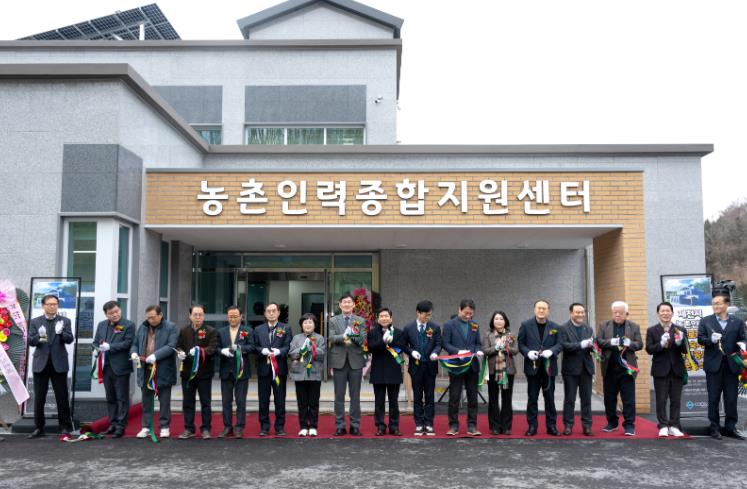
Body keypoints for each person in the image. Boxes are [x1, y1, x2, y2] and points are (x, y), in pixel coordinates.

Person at [697, 292, 747, 440]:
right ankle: (714, 428)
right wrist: (710, 340)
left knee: (731, 398)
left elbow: (743, 338)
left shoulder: (737, 322)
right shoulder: (706, 321)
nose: (715, 306)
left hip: (732, 365)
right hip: (714, 365)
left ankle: (730, 428)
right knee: (713, 398)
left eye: (718, 303)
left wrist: (743, 345)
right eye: (713, 303)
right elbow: (700, 339)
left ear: (727, 304)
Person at [27, 294, 75, 438]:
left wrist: (61, 333)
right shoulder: (35, 321)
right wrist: (40, 336)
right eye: (49, 304)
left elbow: (70, 339)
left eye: (55, 304)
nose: (52, 307)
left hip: (59, 363)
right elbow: (31, 341)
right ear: (43, 306)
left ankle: (65, 426)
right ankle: (39, 427)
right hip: (41, 364)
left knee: (62, 397)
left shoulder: (65, 321)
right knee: (39, 398)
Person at [130, 305, 177, 439]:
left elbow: (171, 346)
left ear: (160, 315)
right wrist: (134, 353)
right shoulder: (143, 327)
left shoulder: (171, 327)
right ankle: (146, 426)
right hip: (145, 368)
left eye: (153, 317)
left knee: (164, 400)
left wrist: (156, 355)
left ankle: (164, 426)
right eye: (148, 317)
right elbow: (135, 343)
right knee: (146, 399)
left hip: (163, 368)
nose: (150, 320)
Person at [596, 300, 643, 436]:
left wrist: (630, 343)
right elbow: (599, 341)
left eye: (620, 313)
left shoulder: (634, 326)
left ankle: (629, 425)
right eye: (615, 312)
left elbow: (640, 344)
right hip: (609, 367)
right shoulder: (604, 325)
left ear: (626, 314)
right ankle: (612, 422)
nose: (617, 315)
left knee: (628, 399)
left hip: (627, 369)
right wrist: (611, 342)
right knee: (609, 398)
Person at [518, 299, 562, 436]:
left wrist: (552, 351)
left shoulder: (555, 327)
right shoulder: (525, 325)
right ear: (534, 309)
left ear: (548, 311)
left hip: (549, 368)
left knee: (550, 398)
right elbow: (521, 344)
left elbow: (560, 344)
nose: (541, 310)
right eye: (539, 308)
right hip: (533, 368)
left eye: (544, 308)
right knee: (532, 398)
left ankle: (551, 426)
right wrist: (528, 353)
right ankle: (532, 426)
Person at [92, 300, 135, 438]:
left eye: (117, 311)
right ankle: (112, 424)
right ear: (106, 314)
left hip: (121, 367)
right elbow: (95, 342)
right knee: (110, 397)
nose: (115, 315)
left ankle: (121, 426)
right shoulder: (101, 325)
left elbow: (128, 343)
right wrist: (97, 349)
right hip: (105, 367)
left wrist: (110, 347)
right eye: (111, 313)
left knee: (122, 398)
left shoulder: (128, 325)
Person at [441, 299, 484, 436]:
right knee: (454, 397)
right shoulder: (449, 325)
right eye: (466, 313)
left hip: (472, 365)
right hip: (456, 365)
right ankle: (453, 426)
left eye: (471, 313)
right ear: (459, 310)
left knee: (473, 397)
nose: (468, 316)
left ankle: (472, 426)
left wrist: (478, 350)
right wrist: (457, 352)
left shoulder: (475, 325)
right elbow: (445, 343)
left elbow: (478, 343)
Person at [645, 301, 687, 438]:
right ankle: (663, 425)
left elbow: (685, 350)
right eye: (662, 311)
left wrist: (680, 342)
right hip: (660, 370)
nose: (665, 313)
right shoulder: (652, 330)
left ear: (672, 313)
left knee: (676, 400)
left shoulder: (680, 329)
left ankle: (674, 426)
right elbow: (649, 349)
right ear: (658, 313)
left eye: (668, 311)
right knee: (661, 400)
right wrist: (661, 344)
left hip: (677, 369)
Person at [176, 304, 218, 440]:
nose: (198, 317)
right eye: (195, 314)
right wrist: (180, 353)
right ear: (190, 316)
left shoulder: (210, 331)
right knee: (188, 402)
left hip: (204, 373)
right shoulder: (184, 331)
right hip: (187, 373)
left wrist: (200, 351)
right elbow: (178, 346)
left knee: (205, 402)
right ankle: (189, 428)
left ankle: (206, 429)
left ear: (204, 316)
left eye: (200, 315)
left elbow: (212, 348)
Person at [328, 293, 367, 436]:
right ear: (340, 305)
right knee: (339, 396)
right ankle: (340, 426)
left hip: (355, 361)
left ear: (353, 304)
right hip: (339, 361)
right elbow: (331, 337)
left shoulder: (360, 320)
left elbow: (362, 339)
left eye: (349, 302)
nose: (347, 304)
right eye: (344, 302)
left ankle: (355, 425)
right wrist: (344, 336)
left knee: (355, 396)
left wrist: (352, 335)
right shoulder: (333, 320)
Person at [401, 300, 442, 436]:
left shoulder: (435, 327)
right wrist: (411, 352)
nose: (428, 317)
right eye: (426, 315)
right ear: (418, 313)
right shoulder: (409, 328)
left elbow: (438, 344)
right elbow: (403, 345)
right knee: (417, 396)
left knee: (429, 395)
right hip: (416, 367)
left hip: (430, 366)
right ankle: (419, 423)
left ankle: (429, 423)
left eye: (430, 315)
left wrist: (435, 352)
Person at [253, 302, 292, 436]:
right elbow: (254, 346)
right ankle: (264, 427)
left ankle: (279, 427)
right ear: (265, 314)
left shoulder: (286, 328)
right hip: (263, 369)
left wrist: (279, 351)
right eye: (268, 311)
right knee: (263, 400)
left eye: (274, 311)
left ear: (278, 313)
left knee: (280, 399)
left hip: (279, 369)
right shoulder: (258, 329)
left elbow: (288, 346)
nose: (271, 313)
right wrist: (261, 350)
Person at [217, 305, 254, 438]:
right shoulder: (221, 332)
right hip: (226, 371)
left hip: (242, 371)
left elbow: (252, 347)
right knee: (226, 401)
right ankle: (227, 427)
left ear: (241, 317)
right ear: (227, 317)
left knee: (240, 401)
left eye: (235, 316)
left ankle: (239, 427)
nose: (233, 319)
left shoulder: (248, 330)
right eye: (230, 316)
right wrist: (222, 351)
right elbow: (215, 348)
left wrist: (240, 348)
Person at [559, 302, 595, 436]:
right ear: (571, 313)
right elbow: (564, 345)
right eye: (577, 312)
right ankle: (568, 425)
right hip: (570, 369)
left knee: (586, 399)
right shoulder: (563, 328)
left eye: (582, 312)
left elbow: (592, 346)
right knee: (570, 399)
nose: (580, 314)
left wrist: (594, 347)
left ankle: (587, 426)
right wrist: (581, 344)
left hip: (586, 369)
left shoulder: (588, 329)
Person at [367, 308, 405, 436]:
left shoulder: (398, 332)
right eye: (381, 316)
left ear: (391, 318)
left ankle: (394, 426)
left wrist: (391, 340)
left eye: (386, 316)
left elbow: (401, 348)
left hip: (393, 371)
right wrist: (383, 341)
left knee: (394, 402)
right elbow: (371, 348)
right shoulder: (372, 333)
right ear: (378, 319)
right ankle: (380, 426)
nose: (384, 318)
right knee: (379, 402)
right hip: (378, 371)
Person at [289, 313, 326, 437]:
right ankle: (303, 426)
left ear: (314, 324)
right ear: (301, 325)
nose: (308, 325)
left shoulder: (320, 338)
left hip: (314, 374)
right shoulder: (296, 338)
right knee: (302, 402)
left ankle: (313, 426)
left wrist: (311, 348)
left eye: (310, 322)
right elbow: (292, 353)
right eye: (305, 322)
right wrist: (301, 350)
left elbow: (321, 354)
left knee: (313, 403)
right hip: (300, 375)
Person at [481, 310, 518, 435]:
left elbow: (516, 350)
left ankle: (506, 426)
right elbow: (485, 350)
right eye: (496, 319)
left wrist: (506, 348)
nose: (499, 321)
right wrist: (495, 348)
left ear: (505, 321)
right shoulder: (488, 334)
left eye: (501, 319)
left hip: (508, 370)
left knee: (507, 398)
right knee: (493, 398)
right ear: (492, 321)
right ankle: (495, 426)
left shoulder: (511, 334)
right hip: (493, 370)